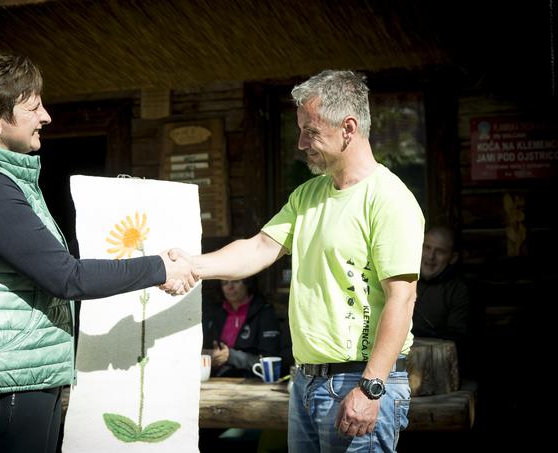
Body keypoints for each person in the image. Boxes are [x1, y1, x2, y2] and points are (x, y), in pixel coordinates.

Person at [0, 53, 194, 453]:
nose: (46, 116)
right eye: (33, 107)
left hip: (18, 372)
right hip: (3, 380)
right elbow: (65, 276)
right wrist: (160, 267)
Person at [170, 69, 424, 452]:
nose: (301, 142)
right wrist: (194, 264)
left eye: (311, 131)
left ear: (349, 128)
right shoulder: (309, 195)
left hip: (358, 381)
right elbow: (259, 248)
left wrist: (371, 388)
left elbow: (402, 299)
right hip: (305, 382)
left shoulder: (390, 199)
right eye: (300, 129)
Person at [413, 225, 470, 369]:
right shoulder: (406, 281)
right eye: (427, 247)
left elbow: (458, 340)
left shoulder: (460, 291)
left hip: (441, 369)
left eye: (439, 251)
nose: (430, 256)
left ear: (453, 257)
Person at [202, 277, 281, 377]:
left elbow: (271, 362)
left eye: (235, 281)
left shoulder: (264, 313)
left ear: (247, 283)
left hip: (251, 382)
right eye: (224, 283)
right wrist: (210, 355)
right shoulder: (216, 313)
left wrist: (231, 356)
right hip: (217, 380)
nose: (230, 287)